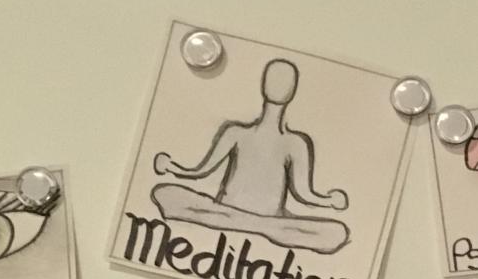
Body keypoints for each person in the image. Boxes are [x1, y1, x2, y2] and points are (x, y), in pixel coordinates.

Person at [151, 58, 352, 254]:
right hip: (229, 212)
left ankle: (250, 224)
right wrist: (172, 167)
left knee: (337, 232)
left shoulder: (296, 144)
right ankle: (255, 225)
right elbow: (201, 170)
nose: (278, 84)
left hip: (257, 219)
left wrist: (329, 201)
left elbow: (304, 194)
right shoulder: (235, 133)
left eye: (284, 80)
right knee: (165, 192)